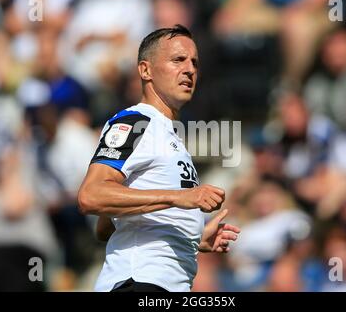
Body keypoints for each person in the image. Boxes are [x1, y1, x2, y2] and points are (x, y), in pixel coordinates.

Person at [77, 24, 240, 292]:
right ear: (145, 70)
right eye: (178, 60)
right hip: (139, 283)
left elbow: (106, 228)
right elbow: (90, 195)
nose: (189, 69)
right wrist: (178, 197)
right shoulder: (135, 122)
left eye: (195, 63)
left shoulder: (170, 136)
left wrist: (192, 238)